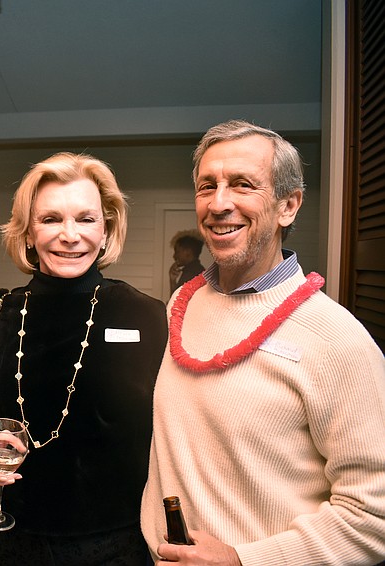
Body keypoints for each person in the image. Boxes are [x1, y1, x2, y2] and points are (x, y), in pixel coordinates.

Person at [141, 120, 385, 565]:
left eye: (243, 185)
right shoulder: (183, 302)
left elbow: (374, 517)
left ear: (288, 206)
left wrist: (244, 559)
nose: (219, 204)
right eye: (207, 186)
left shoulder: (338, 340)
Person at [0, 152, 167, 565]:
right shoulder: (0, 309)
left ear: (106, 230)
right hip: (11, 534)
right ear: (28, 233)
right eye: (50, 219)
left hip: (114, 542)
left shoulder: (145, 315)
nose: (70, 235)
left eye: (86, 219)